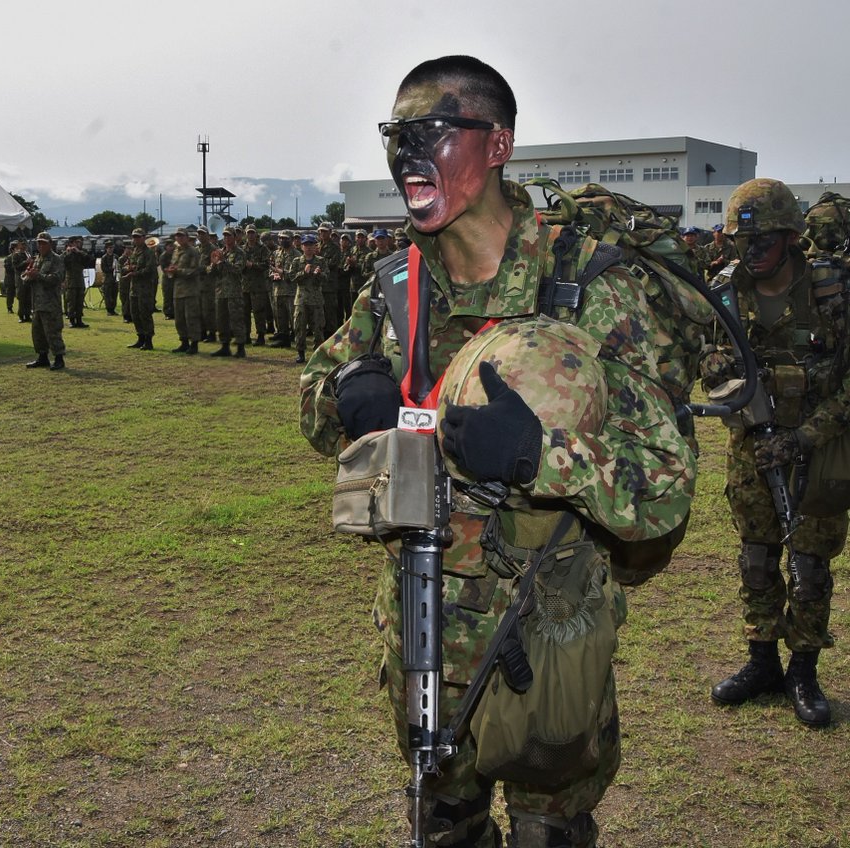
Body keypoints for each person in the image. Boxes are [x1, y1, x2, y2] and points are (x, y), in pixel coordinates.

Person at [299, 55, 694, 846]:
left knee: (551, 828)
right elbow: (314, 391)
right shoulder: (397, 287)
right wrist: (346, 398)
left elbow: (664, 487)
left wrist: (538, 456)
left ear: (499, 144)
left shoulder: (586, 284)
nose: (407, 153)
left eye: (433, 130)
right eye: (396, 134)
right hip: (421, 614)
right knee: (446, 824)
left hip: (545, 621)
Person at [705, 178, 848, 729]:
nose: (752, 251)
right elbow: (706, 353)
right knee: (757, 559)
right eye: (743, 241)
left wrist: (804, 436)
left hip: (817, 447)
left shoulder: (832, 290)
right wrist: (715, 369)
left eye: (763, 240)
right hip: (752, 448)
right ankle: (762, 660)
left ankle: (803, 671)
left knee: (809, 565)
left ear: (790, 236)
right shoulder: (724, 290)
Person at [24, 231, 66, 369]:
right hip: (37, 303)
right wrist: (29, 276)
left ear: (50, 244)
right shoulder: (37, 259)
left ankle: (59, 358)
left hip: (50, 304)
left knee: (52, 332)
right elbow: (27, 278)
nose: (41, 246)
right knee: (38, 333)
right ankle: (42, 357)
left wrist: (39, 276)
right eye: (39, 243)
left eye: (43, 243)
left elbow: (57, 278)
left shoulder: (56, 259)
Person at [289, 232, 327, 364]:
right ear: (302, 247)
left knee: (318, 328)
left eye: (311, 245)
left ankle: (318, 354)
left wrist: (319, 274)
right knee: (299, 327)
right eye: (306, 245)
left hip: (316, 300)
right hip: (301, 300)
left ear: (315, 246)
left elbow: (326, 278)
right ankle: (301, 353)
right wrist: (303, 272)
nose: (309, 247)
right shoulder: (296, 261)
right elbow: (291, 278)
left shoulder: (321, 261)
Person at [210, 227, 247, 357]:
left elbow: (238, 270)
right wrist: (213, 265)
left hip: (234, 292)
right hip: (221, 292)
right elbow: (212, 272)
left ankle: (241, 348)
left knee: (236, 320)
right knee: (221, 321)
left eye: (229, 235)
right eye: (224, 235)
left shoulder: (239, 253)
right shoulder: (221, 252)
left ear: (235, 237)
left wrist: (224, 261)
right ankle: (225, 346)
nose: (226, 238)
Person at [168, 228, 203, 354]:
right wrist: (171, 271)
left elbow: (194, 271)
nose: (180, 238)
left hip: (190, 291)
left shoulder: (192, 251)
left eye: (182, 236)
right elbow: (174, 267)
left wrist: (177, 271)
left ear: (187, 238)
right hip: (178, 290)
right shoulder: (176, 251)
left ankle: (194, 344)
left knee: (191, 318)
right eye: (178, 236)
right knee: (179, 319)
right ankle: (184, 342)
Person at [123, 228, 157, 350]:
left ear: (144, 238)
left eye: (138, 237)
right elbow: (129, 265)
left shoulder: (149, 253)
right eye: (134, 237)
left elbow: (149, 270)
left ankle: (148, 340)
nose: (136, 239)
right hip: (134, 289)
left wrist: (134, 273)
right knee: (135, 314)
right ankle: (140, 338)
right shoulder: (134, 252)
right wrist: (127, 268)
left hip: (145, 289)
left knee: (145, 314)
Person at [62, 235, 90, 328]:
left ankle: (79, 320)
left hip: (80, 281)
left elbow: (89, 259)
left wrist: (79, 252)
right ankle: (71, 320)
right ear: (71, 243)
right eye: (77, 242)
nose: (79, 244)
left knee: (79, 302)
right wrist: (68, 253)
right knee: (71, 302)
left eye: (79, 242)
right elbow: (61, 263)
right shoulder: (66, 253)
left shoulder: (81, 253)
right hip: (70, 282)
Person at [13, 238, 32, 322]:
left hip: (28, 279)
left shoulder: (28, 254)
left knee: (28, 298)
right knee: (21, 298)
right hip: (20, 279)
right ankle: (21, 316)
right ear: (19, 245)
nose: (24, 246)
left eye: (25, 244)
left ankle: (27, 315)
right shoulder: (16, 255)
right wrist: (25, 262)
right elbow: (16, 267)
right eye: (22, 244)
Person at [100, 240, 119, 315]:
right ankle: (109, 310)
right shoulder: (104, 257)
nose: (111, 249)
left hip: (115, 279)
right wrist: (111, 269)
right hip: (108, 279)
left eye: (112, 247)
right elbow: (104, 269)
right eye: (109, 248)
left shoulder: (115, 257)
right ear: (106, 249)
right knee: (108, 296)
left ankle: (113, 309)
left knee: (114, 295)